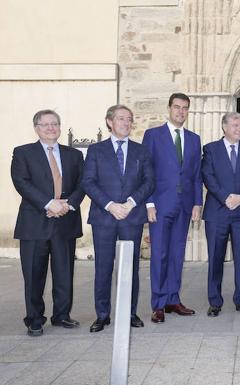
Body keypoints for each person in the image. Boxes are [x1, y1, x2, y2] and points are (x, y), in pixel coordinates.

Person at [11, 110, 85, 336]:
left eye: (55, 124)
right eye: (45, 125)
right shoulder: (23, 152)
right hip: (35, 222)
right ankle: (34, 318)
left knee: (64, 272)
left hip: (65, 221)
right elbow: (21, 182)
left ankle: (62, 315)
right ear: (36, 128)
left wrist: (67, 204)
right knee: (34, 274)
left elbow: (83, 183)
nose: (51, 128)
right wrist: (48, 203)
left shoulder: (73, 155)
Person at [82, 104, 155, 332]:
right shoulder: (96, 150)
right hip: (104, 217)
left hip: (131, 217)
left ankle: (129, 312)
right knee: (103, 267)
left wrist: (130, 203)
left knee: (130, 267)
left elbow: (149, 181)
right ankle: (102, 315)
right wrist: (111, 205)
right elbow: (88, 182)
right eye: (122, 118)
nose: (126, 123)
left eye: (129, 119)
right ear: (109, 122)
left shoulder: (140, 151)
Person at [142, 93, 203, 323]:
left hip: (185, 206)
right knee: (160, 254)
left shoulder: (194, 139)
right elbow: (146, 172)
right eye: (177, 107)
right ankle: (157, 304)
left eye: (185, 108)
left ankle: (172, 299)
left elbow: (196, 174)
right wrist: (149, 203)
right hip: (160, 205)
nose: (181, 112)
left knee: (177, 254)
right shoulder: (153, 135)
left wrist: (198, 202)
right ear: (169, 109)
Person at [202, 112, 240, 317]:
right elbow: (207, 176)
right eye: (235, 125)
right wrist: (225, 197)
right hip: (217, 212)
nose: (239, 129)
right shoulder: (211, 149)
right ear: (224, 127)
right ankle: (215, 302)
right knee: (215, 258)